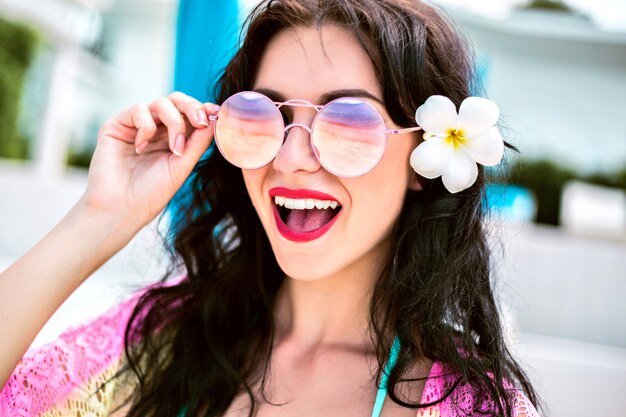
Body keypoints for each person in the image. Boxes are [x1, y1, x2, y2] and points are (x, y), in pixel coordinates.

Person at [0, 0, 541, 416]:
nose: (292, 157)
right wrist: (99, 219)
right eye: (261, 116)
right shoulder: (164, 343)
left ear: (423, 161)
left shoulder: (472, 403)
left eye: (348, 121)